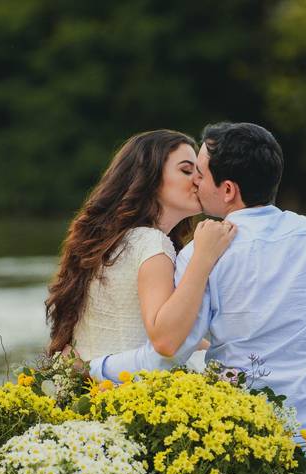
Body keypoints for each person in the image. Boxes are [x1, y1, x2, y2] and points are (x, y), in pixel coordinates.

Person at [87, 122, 306, 468]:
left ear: (228, 190)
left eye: (199, 173)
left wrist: (97, 366)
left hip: (243, 444)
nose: (195, 182)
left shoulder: (199, 256)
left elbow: (166, 355)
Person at [46, 129, 236, 364]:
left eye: (199, 172)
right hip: (125, 389)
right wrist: (204, 257)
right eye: (187, 170)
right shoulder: (151, 243)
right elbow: (165, 339)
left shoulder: (119, 241)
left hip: (92, 389)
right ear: (150, 178)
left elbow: (145, 327)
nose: (198, 180)